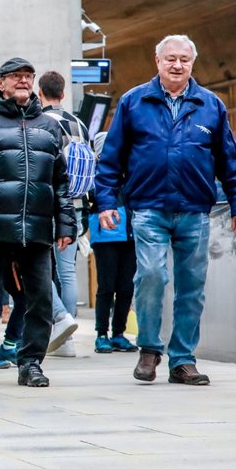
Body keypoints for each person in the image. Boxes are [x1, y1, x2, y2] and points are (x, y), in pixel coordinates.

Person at [95, 34, 236, 385]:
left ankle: (182, 360)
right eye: (171, 58)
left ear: (192, 64)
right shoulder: (133, 102)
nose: (177, 65)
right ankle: (150, 349)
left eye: (184, 59)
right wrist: (106, 202)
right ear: (158, 61)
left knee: (191, 287)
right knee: (151, 275)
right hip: (149, 208)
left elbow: (230, 163)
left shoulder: (210, 106)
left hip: (194, 211)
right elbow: (110, 160)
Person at [0, 57, 76, 388]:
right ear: (0, 83)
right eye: (15, 76)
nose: (23, 81)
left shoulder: (49, 127)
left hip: (37, 229)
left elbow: (61, 181)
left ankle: (30, 362)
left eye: (28, 76)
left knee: (40, 297)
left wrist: (67, 224)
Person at [37, 70, 91, 357]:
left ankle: (60, 321)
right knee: (67, 272)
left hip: (49, 205)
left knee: (38, 268)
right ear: (63, 92)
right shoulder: (79, 124)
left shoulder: (44, 122)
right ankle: (67, 342)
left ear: (40, 93)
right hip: (77, 205)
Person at [88, 132, 138, 354]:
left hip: (131, 233)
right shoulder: (97, 174)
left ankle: (119, 333)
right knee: (106, 286)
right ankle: (101, 333)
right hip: (106, 235)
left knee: (127, 286)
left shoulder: (132, 171)